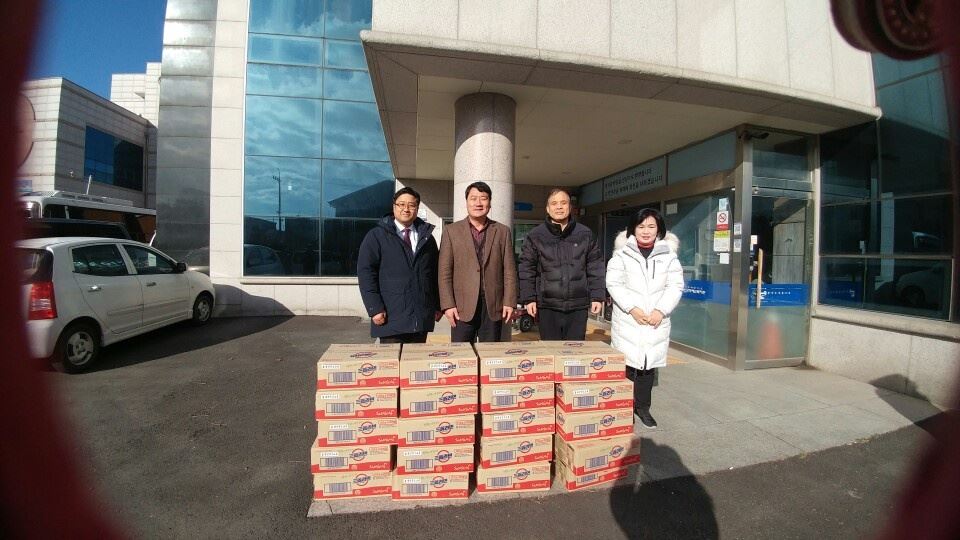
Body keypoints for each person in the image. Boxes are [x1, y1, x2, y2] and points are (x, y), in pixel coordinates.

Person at [606, 208, 683, 429]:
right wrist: (632, 308)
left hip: (655, 320)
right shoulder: (621, 254)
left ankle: (643, 408)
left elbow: (675, 286)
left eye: (651, 226)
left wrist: (661, 310)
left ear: (659, 229)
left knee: (648, 367)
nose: (646, 231)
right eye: (641, 226)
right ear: (633, 229)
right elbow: (613, 283)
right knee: (627, 365)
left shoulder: (669, 256)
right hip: (629, 319)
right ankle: (625, 406)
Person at [518, 187, 605, 340]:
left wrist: (597, 296)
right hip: (547, 305)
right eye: (554, 203)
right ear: (547, 208)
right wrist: (529, 298)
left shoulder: (585, 234)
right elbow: (527, 268)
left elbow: (595, 266)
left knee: (575, 350)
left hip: (578, 305)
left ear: (570, 207)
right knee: (550, 350)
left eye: (563, 203)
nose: (559, 207)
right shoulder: (536, 235)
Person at [356, 187, 441, 343]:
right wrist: (374, 308)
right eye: (401, 204)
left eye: (411, 205)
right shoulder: (376, 236)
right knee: (391, 359)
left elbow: (434, 274)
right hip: (390, 318)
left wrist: (437, 305)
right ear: (394, 206)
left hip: (420, 318)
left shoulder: (427, 238)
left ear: (417, 208)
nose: (406, 209)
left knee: (416, 359)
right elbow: (366, 274)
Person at [438, 181, 516, 342]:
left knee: (490, 353)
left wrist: (509, 301)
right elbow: (444, 272)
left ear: (490, 203)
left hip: (493, 305)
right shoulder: (451, 231)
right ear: (466, 202)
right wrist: (448, 305)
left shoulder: (502, 231)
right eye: (473, 198)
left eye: (483, 198)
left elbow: (509, 270)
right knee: (462, 354)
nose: (478, 203)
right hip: (461, 307)